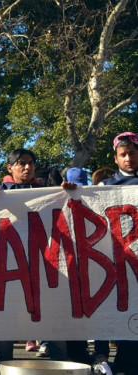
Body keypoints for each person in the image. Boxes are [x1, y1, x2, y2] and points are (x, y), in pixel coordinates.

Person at [0, 149, 77, 369]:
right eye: (21, 163)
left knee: (51, 312)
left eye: (31, 163)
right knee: (6, 312)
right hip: (10, 266)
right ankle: (3, 363)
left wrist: (70, 193)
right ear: (10, 168)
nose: (27, 167)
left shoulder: (49, 192)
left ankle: (60, 363)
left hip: (45, 266)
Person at [101, 132, 138, 375]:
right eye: (123, 155)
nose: (128, 159)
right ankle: (125, 360)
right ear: (116, 159)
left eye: (132, 154)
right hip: (123, 259)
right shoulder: (106, 187)